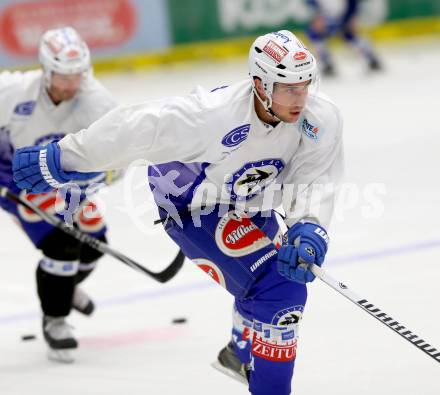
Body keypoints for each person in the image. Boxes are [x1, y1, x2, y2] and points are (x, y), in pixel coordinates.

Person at [12, 30, 343, 394]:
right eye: (287, 88)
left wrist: (309, 226)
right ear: (260, 84)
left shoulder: (320, 117)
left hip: (250, 199)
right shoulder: (213, 116)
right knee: (280, 290)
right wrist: (62, 158)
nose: (300, 98)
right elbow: (135, 129)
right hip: (192, 205)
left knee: (273, 277)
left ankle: (240, 350)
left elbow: (314, 175)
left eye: (304, 85)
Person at [0, 27, 117, 362]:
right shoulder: (14, 92)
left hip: (65, 182)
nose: (70, 85)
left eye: (77, 75)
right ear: (45, 69)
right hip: (14, 177)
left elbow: (121, 150)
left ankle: (62, 287)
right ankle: (56, 319)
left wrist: (101, 173)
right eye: (62, 76)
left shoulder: (95, 101)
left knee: (95, 244)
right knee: (62, 244)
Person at [306, 0, 382, 75]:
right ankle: (326, 63)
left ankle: (371, 59)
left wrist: (352, 17)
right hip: (325, 18)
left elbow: (353, 3)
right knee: (315, 35)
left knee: (350, 36)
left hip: (343, 17)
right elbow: (311, 3)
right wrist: (317, 16)